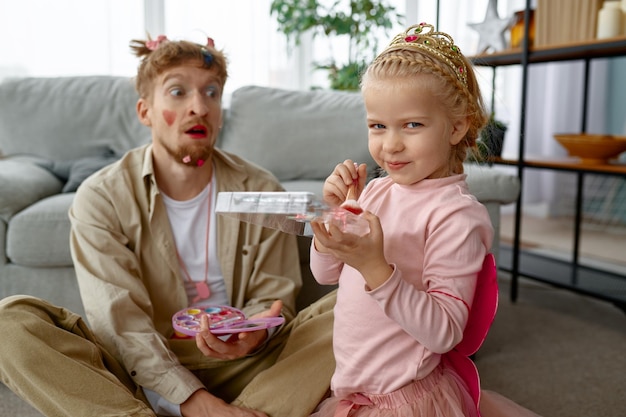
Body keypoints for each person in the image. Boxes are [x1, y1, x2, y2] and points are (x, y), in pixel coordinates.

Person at [0, 34, 335, 417]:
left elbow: (273, 298)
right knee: (8, 325)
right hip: (140, 371)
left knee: (357, 301)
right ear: (146, 111)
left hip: (247, 366)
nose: (199, 106)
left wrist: (257, 331)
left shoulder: (260, 188)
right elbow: (122, 326)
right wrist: (195, 401)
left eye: (211, 93)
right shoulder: (101, 198)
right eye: (178, 92)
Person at [308, 22, 495, 417]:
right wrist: (331, 220)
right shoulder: (375, 191)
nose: (390, 145)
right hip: (354, 390)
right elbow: (324, 273)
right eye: (378, 126)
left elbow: (445, 332)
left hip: (406, 400)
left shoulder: (455, 215)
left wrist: (375, 266)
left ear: (456, 126)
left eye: (412, 125)